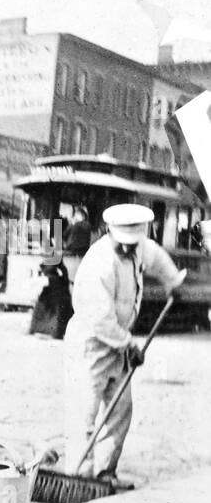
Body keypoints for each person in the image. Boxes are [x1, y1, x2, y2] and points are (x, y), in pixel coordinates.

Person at [62, 203, 182, 482]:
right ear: (109, 232)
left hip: (119, 346)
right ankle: (78, 477)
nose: (129, 250)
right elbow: (100, 318)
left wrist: (173, 281)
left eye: (133, 244)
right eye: (124, 244)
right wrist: (130, 344)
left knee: (120, 410)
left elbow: (157, 257)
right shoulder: (99, 262)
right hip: (90, 345)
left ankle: (105, 471)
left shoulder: (139, 247)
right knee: (85, 412)